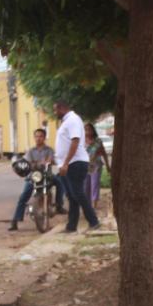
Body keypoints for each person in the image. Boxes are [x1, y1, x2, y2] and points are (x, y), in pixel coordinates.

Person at [53, 100, 100, 233]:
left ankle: (94, 221)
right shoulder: (67, 121)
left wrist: (66, 163)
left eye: (55, 110)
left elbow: (75, 141)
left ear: (62, 108)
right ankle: (71, 226)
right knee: (72, 196)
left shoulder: (73, 119)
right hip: (68, 164)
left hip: (75, 163)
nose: (54, 112)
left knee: (78, 193)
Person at [9, 127, 56, 231]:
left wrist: (45, 162)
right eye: (36, 136)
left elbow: (50, 160)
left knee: (61, 182)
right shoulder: (30, 151)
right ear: (34, 138)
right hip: (34, 176)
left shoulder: (49, 150)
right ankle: (15, 221)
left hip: (46, 175)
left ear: (44, 138)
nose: (38, 138)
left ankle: (59, 205)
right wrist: (37, 163)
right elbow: (27, 162)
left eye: (41, 136)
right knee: (23, 196)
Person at [86, 132, 109, 207]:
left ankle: (94, 204)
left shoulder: (98, 141)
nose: (87, 131)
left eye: (89, 129)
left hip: (96, 165)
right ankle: (87, 204)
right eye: (85, 129)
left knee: (95, 184)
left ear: (92, 130)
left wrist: (107, 165)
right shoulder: (81, 141)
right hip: (85, 166)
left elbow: (104, 153)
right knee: (86, 186)